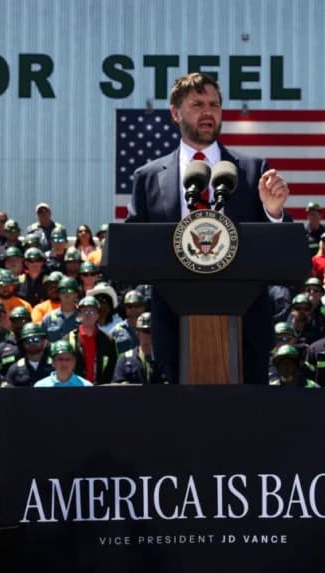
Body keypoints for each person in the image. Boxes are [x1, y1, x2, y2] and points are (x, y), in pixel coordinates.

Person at [125, 72, 290, 386]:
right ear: (175, 113)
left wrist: (273, 211)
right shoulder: (148, 177)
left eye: (214, 104)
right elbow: (135, 247)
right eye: (197, 104)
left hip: (245, 325)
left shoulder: (253, 170)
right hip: (173, 322)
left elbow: (280, 246)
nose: (207, 112)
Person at [66, 296, 117, 384]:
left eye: (92, 311)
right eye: (84, 311)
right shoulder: (69, 339)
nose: (88, 314)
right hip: (76, 388)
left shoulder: (108, 340)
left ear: (98, 315)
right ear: (79, 314)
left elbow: (112, 367)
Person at [112, 312, 168, 384]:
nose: (151, 335)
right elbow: (117, 387)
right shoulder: (125, 360)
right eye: (146, 331)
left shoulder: (165, 359)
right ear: (137, 333)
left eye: (154, 331)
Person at [42, 276, 80, 342]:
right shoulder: (48, 318)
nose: (66, 294)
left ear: (76, 294)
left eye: (70, 291)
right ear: (59, 294)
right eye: (63, 291)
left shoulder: (83, 318)